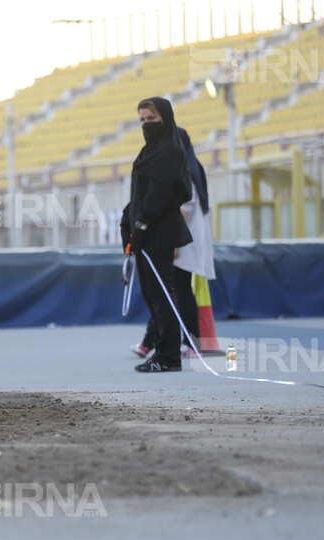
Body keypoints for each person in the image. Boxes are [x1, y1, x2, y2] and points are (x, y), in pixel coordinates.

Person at [120, 97, 193, 373]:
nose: (145, 124)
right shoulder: (151, 149)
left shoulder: (166, 150)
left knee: (162, 295)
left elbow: (161, 193)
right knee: (153, 295)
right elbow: (142, 191)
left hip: (158, 233)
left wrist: (142, 222)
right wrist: (129, 216)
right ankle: (161, 351)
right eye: (141, 120)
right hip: (146, 232)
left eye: (150, 119)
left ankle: (169, 357)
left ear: (164, 118)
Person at [131, 127, 216, 360]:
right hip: (181, 238)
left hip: (181, 240)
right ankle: (150, 342)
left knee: (177, 290)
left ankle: (190, 342)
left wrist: (174, 243)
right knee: (167, 290)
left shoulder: (185, 168)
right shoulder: (187, 164)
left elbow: (184, 210)